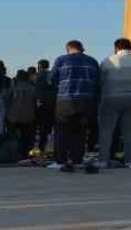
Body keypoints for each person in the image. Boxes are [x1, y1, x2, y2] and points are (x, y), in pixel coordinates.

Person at [50, 40, 100, 172]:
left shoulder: (61, 60)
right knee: (80, 132)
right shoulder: (92, 61)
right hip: (86, 100)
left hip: (65, 100)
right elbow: (97, 81)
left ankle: (60, 160)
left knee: (62, 131)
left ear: (68, 49)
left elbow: (52, 79)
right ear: (82, 48)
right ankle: (77, 159)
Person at [97, 38, 131, 169]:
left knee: (106, 130)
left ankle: (103, 160)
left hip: (111, 97)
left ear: (116, 48)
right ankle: (129, 160)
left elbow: (100, 81)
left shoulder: (108, 61)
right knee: (129, 130)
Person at [4, 70, 38, 159]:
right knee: (27, 137)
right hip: (28, 116)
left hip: (12, 116)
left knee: (11, 137)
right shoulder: (33, 89)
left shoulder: (12, 88)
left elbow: (6, 101)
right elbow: (35, 103)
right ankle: (25, 155)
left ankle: (12, 154)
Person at [34, 59, 56, 153]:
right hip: (50, 103)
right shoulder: (51, 75)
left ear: (39, 66)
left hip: (38, 103)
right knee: (47, 127)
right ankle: (45, 146)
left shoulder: (35, 76)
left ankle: (39, 147)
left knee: (39, 126)